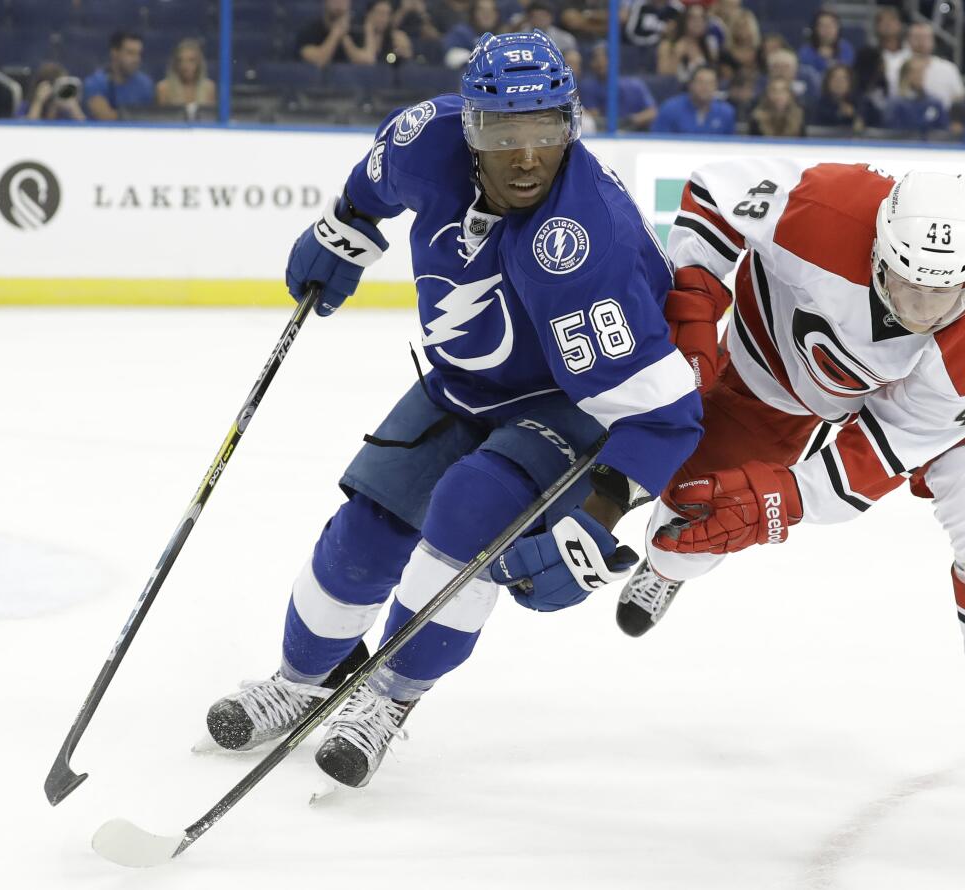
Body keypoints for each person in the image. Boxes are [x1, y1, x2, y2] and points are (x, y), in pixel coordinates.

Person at [202, 30, 702, 790]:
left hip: (566, 405)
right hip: (458, 383)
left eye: (545, 129)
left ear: (571, 124)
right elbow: (371, 184)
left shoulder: (581, 249)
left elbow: (666, 416)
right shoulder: (423, 140)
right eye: (505, 132)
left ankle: (388, 699)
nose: (528, 154)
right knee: (365, 532)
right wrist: (345, 229)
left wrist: (597, 514)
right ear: (468, 127)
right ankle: (302, 679)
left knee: (469, 513)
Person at [616, 160, 965, 800]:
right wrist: (694, 300)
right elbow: (714, 190)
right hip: (771, 368)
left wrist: (789, 497)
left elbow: (880, 454)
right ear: (878, 248)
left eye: (941, 296)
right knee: (692, 523)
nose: (919, 311)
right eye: (907, 285)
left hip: (908, 401)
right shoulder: (825, 205)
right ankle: (663, 570)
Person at [578, 40, 658, 132]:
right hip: (604, 135)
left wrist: (631, 120)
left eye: (606, 56)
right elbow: (591, 119)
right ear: (591, 63)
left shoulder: (635, 84)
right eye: (596, 58)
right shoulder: (588, 87)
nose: (601, 61)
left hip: (634, 135)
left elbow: (652, 112)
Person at [83, 30, 155, 121]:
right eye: (130, 53)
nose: (137, 59)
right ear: (114, 52)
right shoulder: (95, 83)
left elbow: (151, 117)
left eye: (139, 54)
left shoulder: (145, 84)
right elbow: (105, 119)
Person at [652, 64, 736, 135]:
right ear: (690, 85)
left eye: (710, 83)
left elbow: (730, 147)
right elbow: (657, 143)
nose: (705, 87)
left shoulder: (726, 113)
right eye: (700, 82)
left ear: (716, 86)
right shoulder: (670, 109)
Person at [906, 21, 965, 110]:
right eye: (917, 37)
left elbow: (959, 98)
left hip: (942, 120)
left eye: (925, 38)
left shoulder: (948, 68)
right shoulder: (897, 66)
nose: (921, 42)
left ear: (933, 41)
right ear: (908, 40)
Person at [884, 56, 949, 135]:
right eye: (915, 72)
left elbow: (943, 132)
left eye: (922, 71)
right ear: (905, 75)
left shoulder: (935, 103)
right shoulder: (895, 104)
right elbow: (891, 132)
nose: (919, 76)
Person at [657, 4, 722, 82]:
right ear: (684, 20)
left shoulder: (709, 46)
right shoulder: (667, 45)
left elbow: (714, 73)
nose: (698, 22)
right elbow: (663, 78)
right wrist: (676, 55)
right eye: (693, 18)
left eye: (702, 18)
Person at [155, 39, 217, 110]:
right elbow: (161, 118)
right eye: (181, 60)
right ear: (175, 64)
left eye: (191, 60)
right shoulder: (163, 88)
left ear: (199, 63)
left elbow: (211, 118)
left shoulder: (209, 88)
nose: (185, 66)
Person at [17, 62, 86, 121]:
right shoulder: (26, 106)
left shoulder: (65, 109)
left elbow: (85, 129)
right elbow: (28, 128)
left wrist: (74, 108)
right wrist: (38, 102)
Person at [798, 8, 854, 76]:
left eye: (831, 25)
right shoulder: (805, 52)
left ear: (838, 28)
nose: (827, 30)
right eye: (823, 26)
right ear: (815, 28)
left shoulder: (846, 48)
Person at [810, 62, 862, 132]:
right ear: (828, 81)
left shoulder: (860, 103)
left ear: (850, 82)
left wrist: (854, 116)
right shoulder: (817, 105)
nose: (839, 83)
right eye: (835, 78)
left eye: (843, 79)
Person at [873, 4, 909, 97]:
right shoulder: (869, 55)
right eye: (883, 21)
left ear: (900, 25)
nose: (887, 24)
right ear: (877, 26)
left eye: (892, 20)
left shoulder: (910, 53)